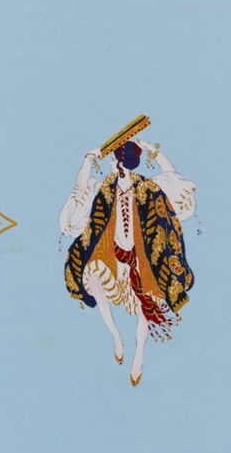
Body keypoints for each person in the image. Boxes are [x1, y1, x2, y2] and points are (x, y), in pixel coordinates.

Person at [60, 139, 195, 386]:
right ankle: (116, 336)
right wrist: (87, 160)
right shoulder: (107, 185)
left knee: (147, 303)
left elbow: (171, 173)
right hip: (110, 251)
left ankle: (139, 354)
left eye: (114, 160)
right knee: (92, 278)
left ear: (123, 164)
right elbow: (81, 185)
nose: (111, 163)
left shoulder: (147, 187)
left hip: (141, 254)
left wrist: (154, 151)